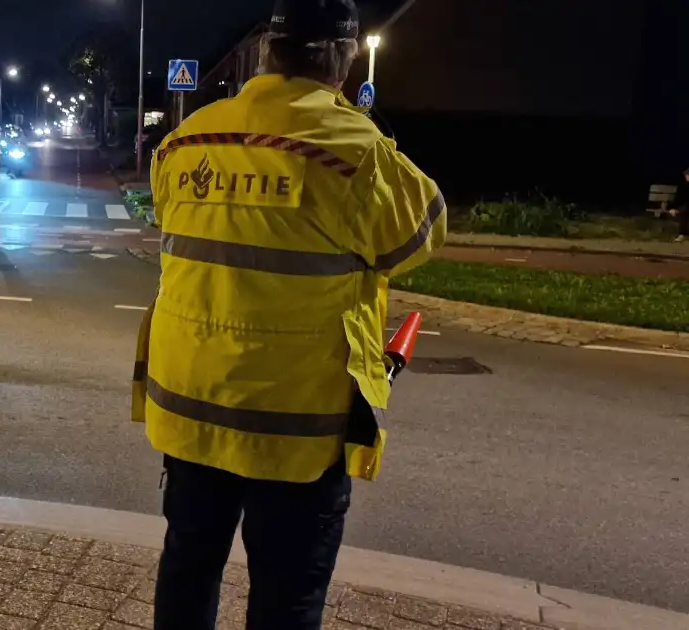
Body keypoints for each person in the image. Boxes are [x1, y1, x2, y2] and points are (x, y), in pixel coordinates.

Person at [131, 1, 446, 628]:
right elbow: (418, 236)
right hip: (298, 428)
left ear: (267, 53)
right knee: (286, 599)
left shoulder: (185, 140)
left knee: (187, 572)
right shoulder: (359, 151)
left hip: (192, 411)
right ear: (345, 55)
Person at [674, 167, 689, 242]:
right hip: (685, 206)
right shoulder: (683, 186)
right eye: (686, 175)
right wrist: (673, 208)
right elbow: (678, 199)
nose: (687, 176)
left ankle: (683, 234)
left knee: (684, 211)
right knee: (683, 212)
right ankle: (682, 234)